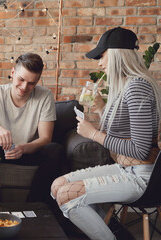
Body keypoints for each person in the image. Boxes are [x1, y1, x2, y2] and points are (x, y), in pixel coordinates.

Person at [51, 27, 161, 240]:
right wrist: (101, 107)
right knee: (58, 186)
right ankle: (111, 232)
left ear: (118, 54)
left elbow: (140, 149)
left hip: (142, 176)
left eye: (102, 56)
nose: (99, 63)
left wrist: (92, 134)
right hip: (125, 168)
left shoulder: (137, 87)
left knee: (66, 195)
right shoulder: (127, 85)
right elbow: (124, 130)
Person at [0, 52, 65, 203]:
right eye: (21, 79)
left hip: (28, 151)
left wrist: (24, 148)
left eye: (32, 83)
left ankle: (34, 205)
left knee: (55, 149)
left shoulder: (45, 96)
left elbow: (46, 139)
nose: (25, 87)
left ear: (38, 81)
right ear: (12, 73)